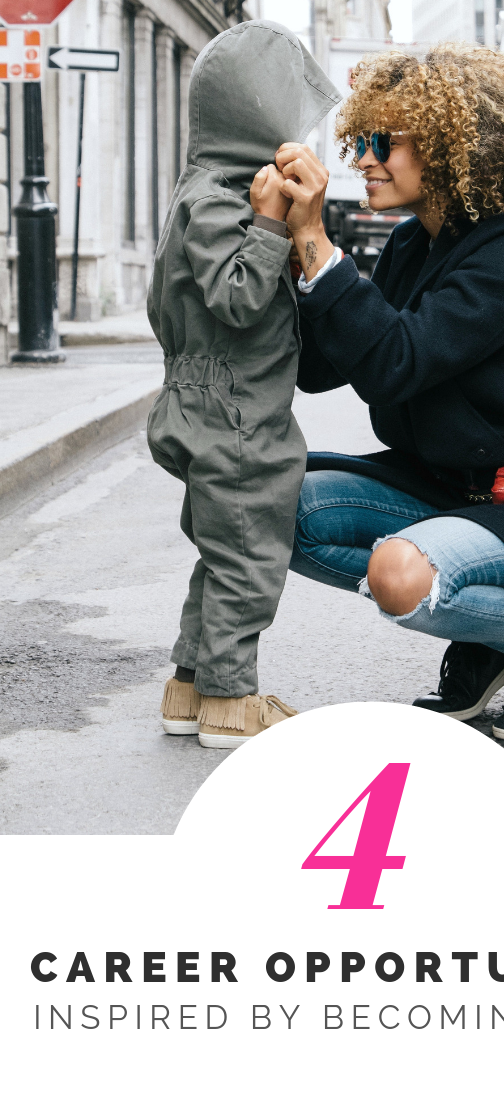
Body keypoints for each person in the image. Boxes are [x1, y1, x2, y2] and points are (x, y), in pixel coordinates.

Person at [278, 44, 504, 741]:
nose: (362, 159)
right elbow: (323, 367)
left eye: (381, 143)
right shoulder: (411, 246)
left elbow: (395, 362)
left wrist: (317, 241)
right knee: (270, 510)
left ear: (453, 145)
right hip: (450, 489)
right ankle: (492, 634)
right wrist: (285, 240)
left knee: (400, 576)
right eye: (358, 140)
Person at [146, 21, 339, 748]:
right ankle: (231, 700)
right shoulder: (228, 201)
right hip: (237, 416)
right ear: (256, 116)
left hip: (200, 402)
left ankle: (189, 686)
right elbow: (235, 298)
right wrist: (268, 227)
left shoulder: (197, 192)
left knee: (220, 553)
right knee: (251, 560)